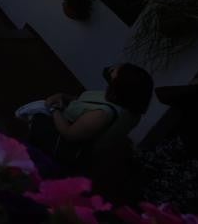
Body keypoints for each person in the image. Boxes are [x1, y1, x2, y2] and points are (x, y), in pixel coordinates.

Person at [21, 63, 154, 169]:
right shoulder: (125, 102)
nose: (111, 69)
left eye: (114, 72)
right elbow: (83, 101)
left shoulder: (102, 115)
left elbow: (69, 134)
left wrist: (54, 108)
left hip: (61, 146)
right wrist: (63, 96)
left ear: (120, 85)